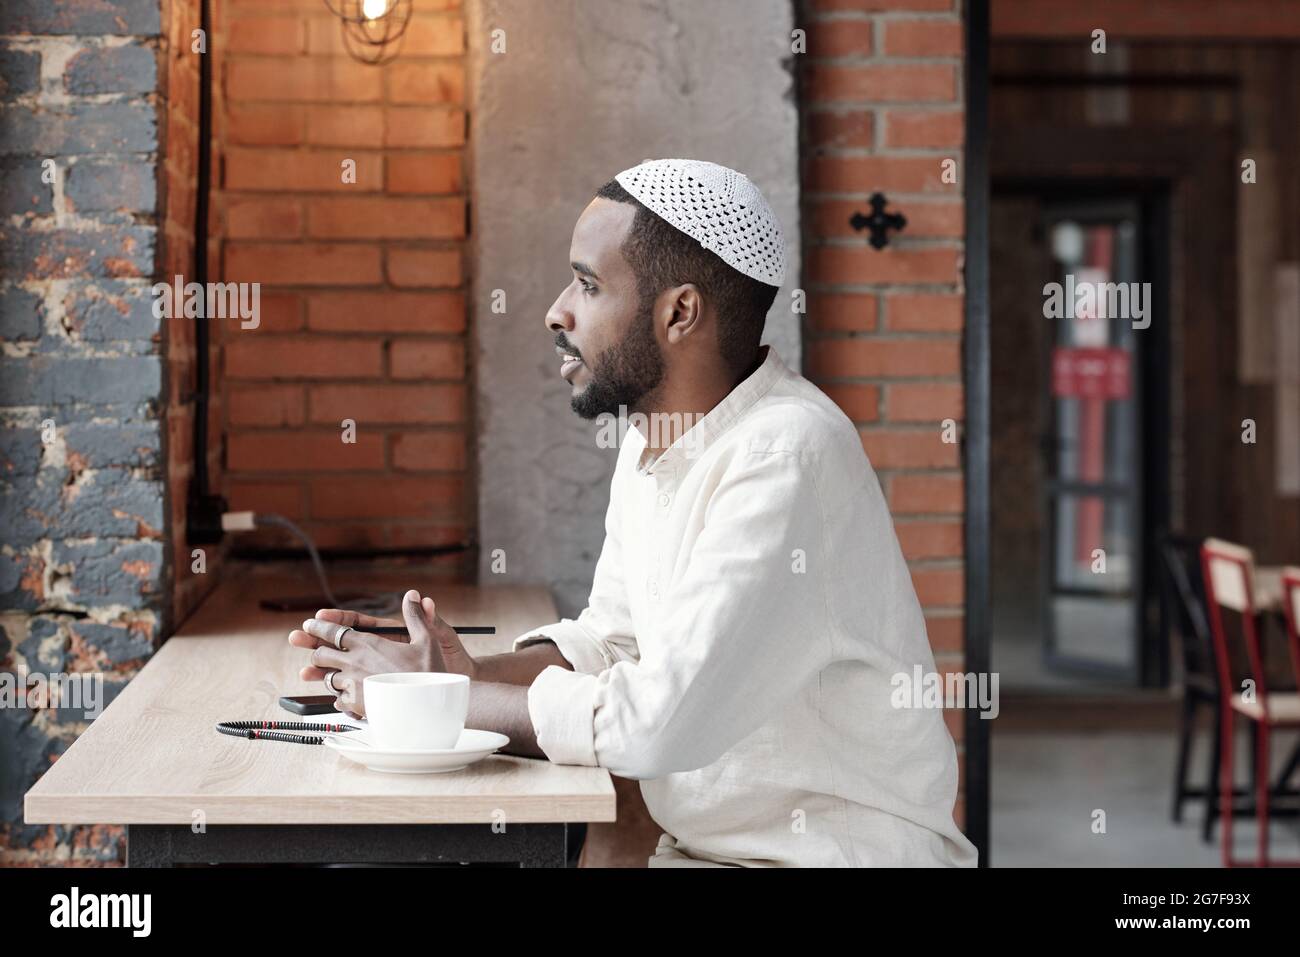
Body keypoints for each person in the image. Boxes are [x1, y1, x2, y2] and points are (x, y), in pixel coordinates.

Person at [290, 159, 978, 868]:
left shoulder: (787, 452)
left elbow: (653, 721)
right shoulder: (655, 434)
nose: (557, 310)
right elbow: (615, 643)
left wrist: (441, 698)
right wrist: (471, 670)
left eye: (587, 284)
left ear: (679, 312)